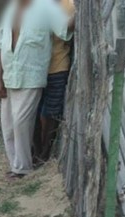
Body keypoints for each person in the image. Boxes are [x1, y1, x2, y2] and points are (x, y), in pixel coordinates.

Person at [0, 0, 69, 179]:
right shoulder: (10, 7)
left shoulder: (46, 7)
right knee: (8, 125)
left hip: (32, 74)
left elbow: (65, 30)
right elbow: (0, 46)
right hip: (9, 74)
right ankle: (14, 165)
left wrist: (81, 14)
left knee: (21, 122)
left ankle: (22, 168)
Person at [36, 0, 74, 162]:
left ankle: (44, 153)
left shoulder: (69, 6)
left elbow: (68, 34)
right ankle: (36, 152)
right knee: (34, 113)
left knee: (51, 113)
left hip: (57, 66)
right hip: (35, 68)